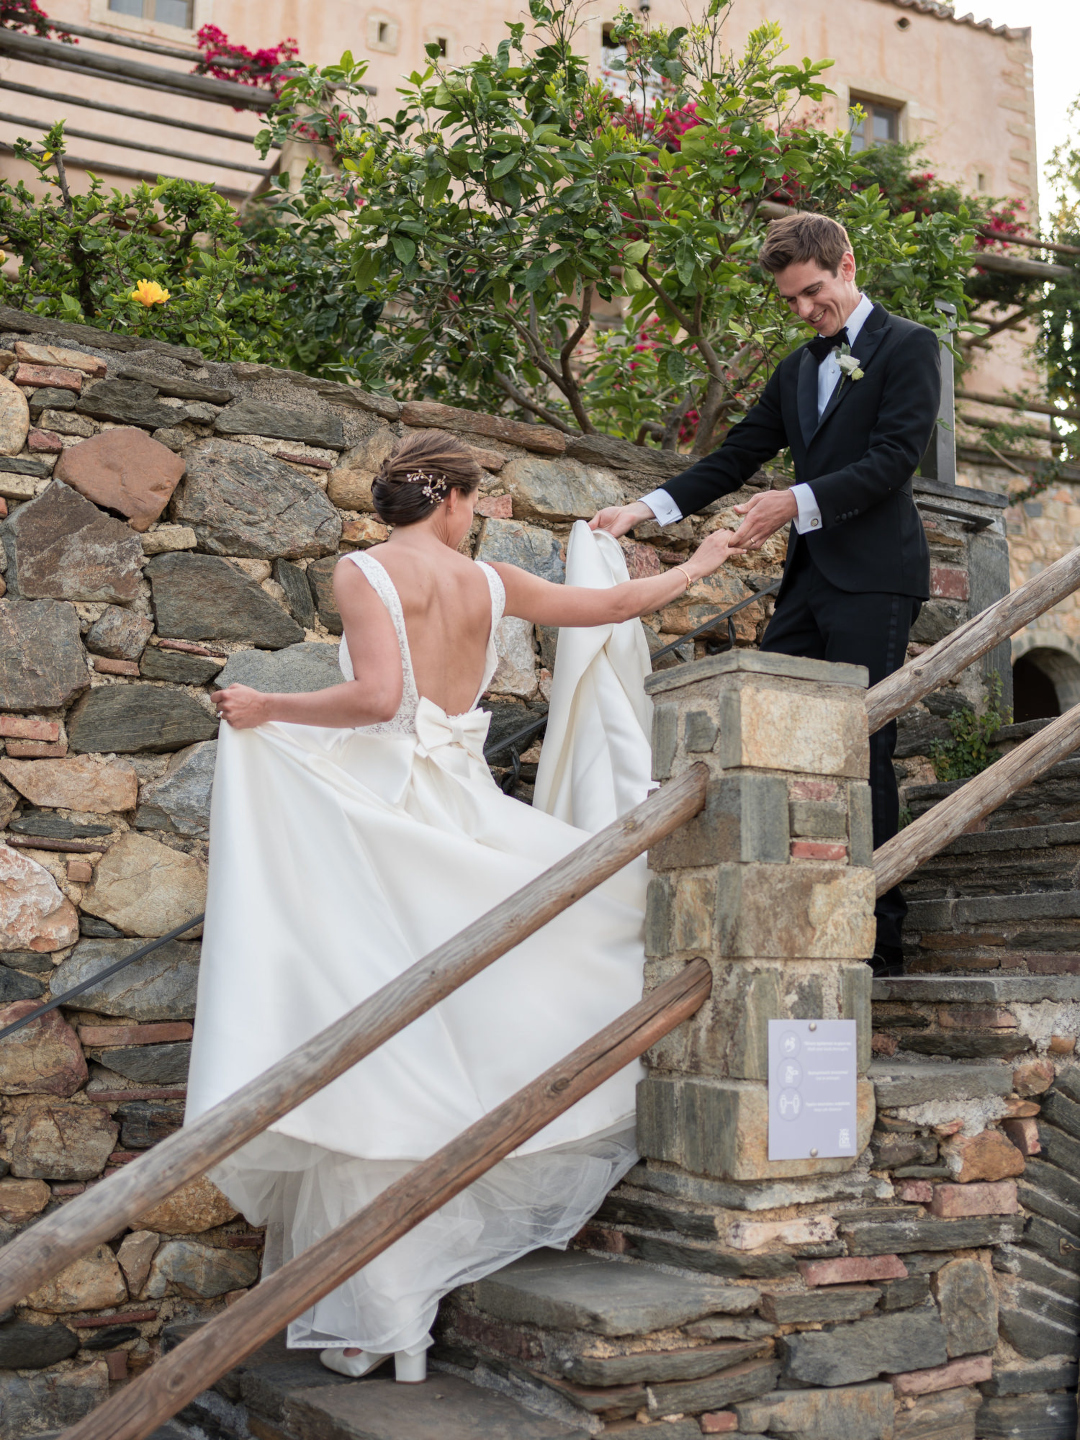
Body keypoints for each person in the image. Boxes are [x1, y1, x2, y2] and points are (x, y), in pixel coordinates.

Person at [185, 429, 742, 1384]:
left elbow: (376, 699)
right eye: (475, 501)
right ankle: (391, 1313)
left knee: (386, 1054)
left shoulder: (364, 571)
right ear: (449, 497)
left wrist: (269, 708)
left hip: (386, 822)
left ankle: (380, 1321)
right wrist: (700, 564)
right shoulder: (489, 583)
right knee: (465, 1031)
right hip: (466, 814)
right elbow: (612, 606)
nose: (476, 515)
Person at [591, 213, 940, 977]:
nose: (806, 310)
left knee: (866, 744)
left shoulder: (910, 345)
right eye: (792, 301)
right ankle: (785, 909)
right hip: (808, 582)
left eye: (814, 292)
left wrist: (795, 501)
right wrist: (642, 509)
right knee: (765, 733)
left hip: (877, 576)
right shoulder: (795, 370)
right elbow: (737, 456)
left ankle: (880, 935)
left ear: (847, 265)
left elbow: (894, 460)